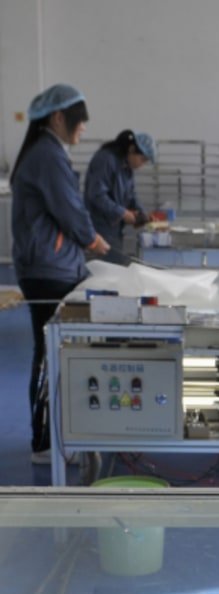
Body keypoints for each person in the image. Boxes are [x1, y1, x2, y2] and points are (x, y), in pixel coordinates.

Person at [10, 83, 110, 464]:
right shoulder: (47, 156)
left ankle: (54, 437)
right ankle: (44, 443)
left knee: (53, 352)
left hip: (52, 266)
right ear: (58, 118)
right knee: (49, 354)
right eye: (79, 123)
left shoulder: (43, 153)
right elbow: (69, 209)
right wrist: (93, 240)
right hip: (48, 271)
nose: (82, 129)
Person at [83, 129, 155, 263]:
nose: (141, 165)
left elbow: (131, 195)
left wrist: (142, 215)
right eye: (142, 159)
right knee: (108, 270)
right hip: (99, 228)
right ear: (132, 149)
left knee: (115, 269)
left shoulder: (126, 168)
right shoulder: (106, 160)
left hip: (114, 229)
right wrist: (122, 212)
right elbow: (96, 195)